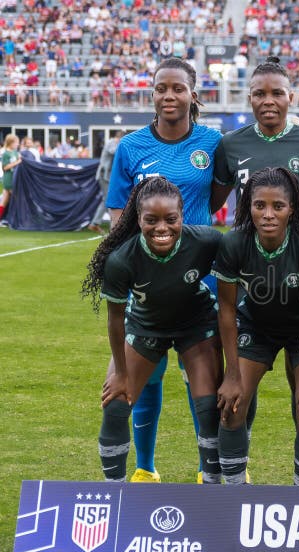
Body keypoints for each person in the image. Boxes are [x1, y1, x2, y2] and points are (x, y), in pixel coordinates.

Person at [105, 57, 223, 483]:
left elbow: (244, 177)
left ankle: (203, 471)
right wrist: (129, 267)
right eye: (160, 88)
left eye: (177, 88)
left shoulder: (213, 143)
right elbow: (120, 216)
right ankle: (144, 467)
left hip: (201, 281)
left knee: (203, 384)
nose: (168, 95)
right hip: (150, 284)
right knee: (146, 379)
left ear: (193, 94)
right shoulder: (132, 147)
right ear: (152, 94)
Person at [81, 176, 223, 483]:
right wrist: (120, 373)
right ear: (138, 219)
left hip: (196, 325)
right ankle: (115, 493)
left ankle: (213, 490)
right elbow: (115, 320)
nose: (162, 228)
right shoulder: (121, 260)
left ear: (182, 217)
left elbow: (240, 261)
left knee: (210, 407)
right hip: (146, 325)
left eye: (171, 219)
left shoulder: (207, 240)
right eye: (151, 220)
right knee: (115, 404)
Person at [213, 167, 299, 486]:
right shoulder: (234, 243)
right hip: (256, 325)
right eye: (259, 205)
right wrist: (232, 373)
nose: (268, 214)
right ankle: (235, 493)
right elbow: (226, 308)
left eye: (278, 206)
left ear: (293, 210)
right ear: (247, 206)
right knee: (232, 406)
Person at [212, 57, 299, 221]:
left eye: (277, 93)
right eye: (259, 94)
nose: (268, 101)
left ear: (291, 98)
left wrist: (298, 214)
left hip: (297, 245)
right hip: (244, 246)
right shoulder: (230, 143)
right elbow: (212, 204)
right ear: (250, 99)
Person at [88, 131, 123, 234]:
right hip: (104, 175)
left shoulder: (115, 143)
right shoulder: (111, 142)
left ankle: (95, 223)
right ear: (119, 138)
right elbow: (113, 151)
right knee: (108, 199)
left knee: (107, 199)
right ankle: (113, 224)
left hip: (108, 176)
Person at [1, 134, 21, 221]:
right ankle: (18, 219)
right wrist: (17, 162)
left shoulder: (15, 152)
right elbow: (5, 167)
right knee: (18, 200)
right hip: (9, 179)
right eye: (16, 143)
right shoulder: (6, 154)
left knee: (4, 202)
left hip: (14, 178)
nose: (18, 144)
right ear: (11, 143)